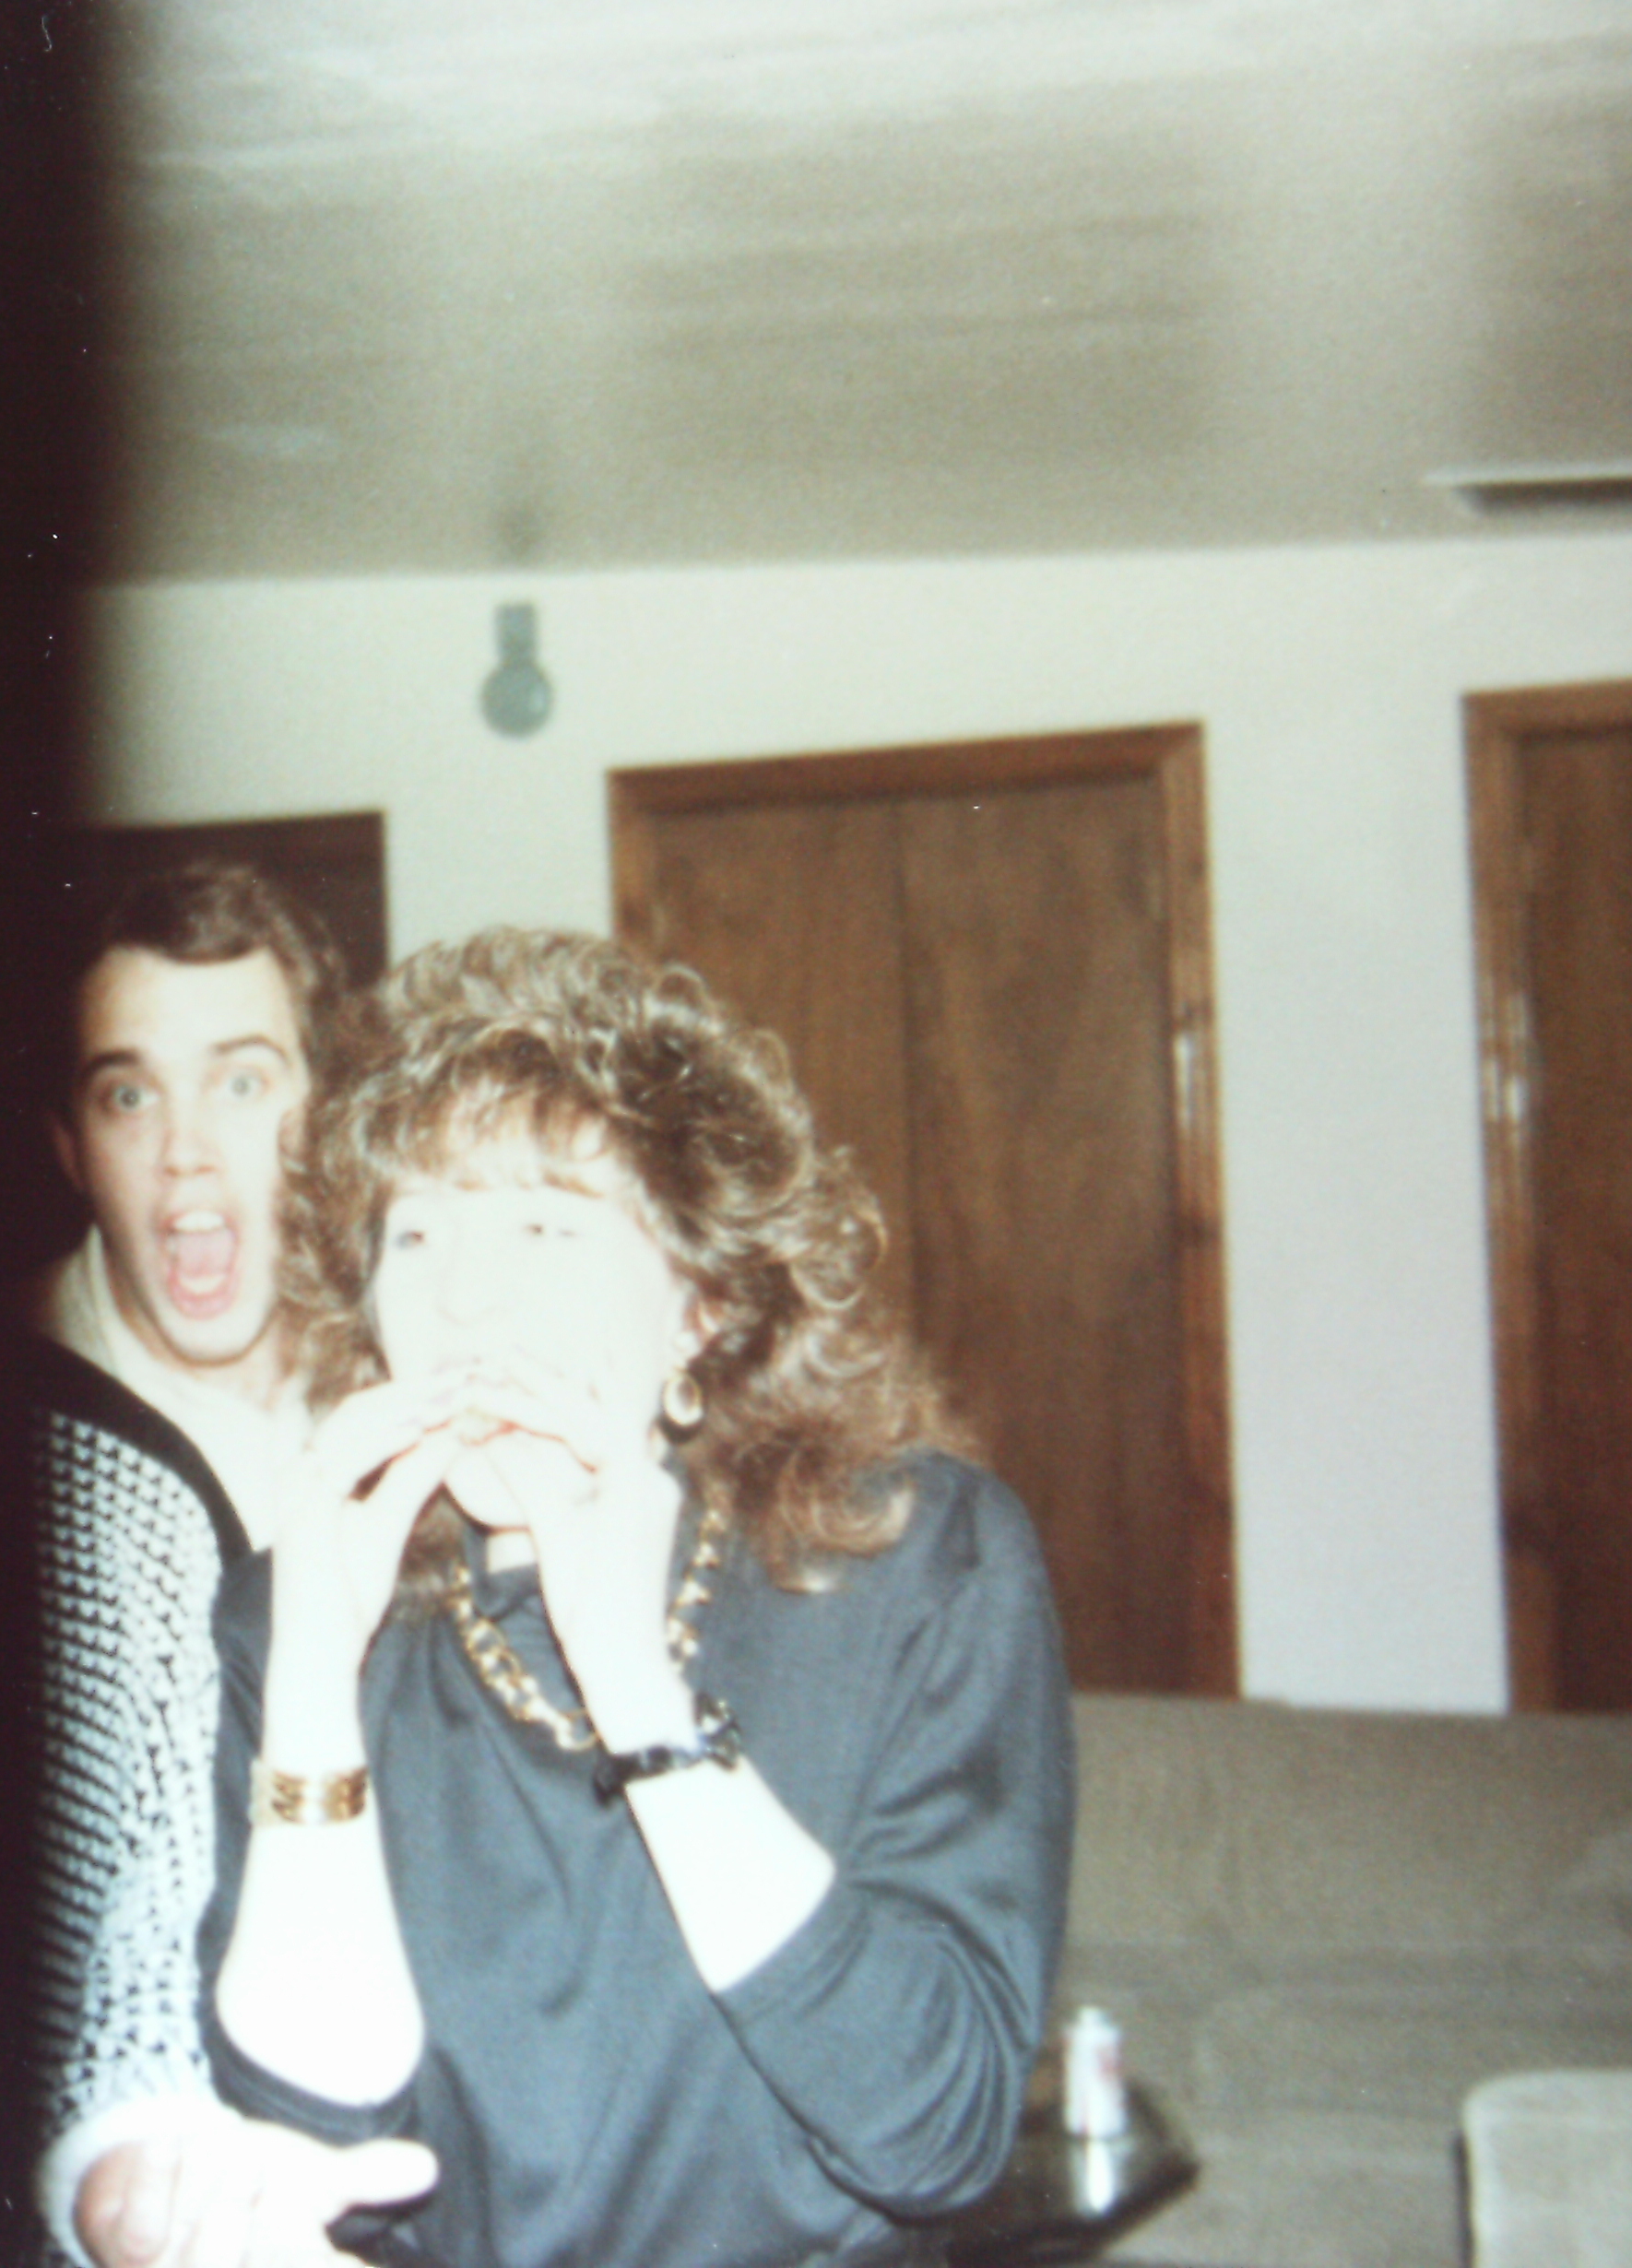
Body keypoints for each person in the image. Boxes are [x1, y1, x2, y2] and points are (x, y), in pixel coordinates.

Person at [193, 928, 1072, 2268]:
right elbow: (319, 2151)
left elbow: (936, 2127)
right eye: (415, 1233)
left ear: (699, 1307)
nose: (463, 1298)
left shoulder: (921, 1558)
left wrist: (639, 1695)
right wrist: (315, 1674)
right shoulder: (298, 1617)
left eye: (545, 1226)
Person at [31, 861, 436, 2266]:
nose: (187, 1155)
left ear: (326, 1114)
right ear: (70, 1144)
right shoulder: (10, 1465)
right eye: (129, 1095)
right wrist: (125, 2172)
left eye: (244, 1081)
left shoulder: (410, 1384)